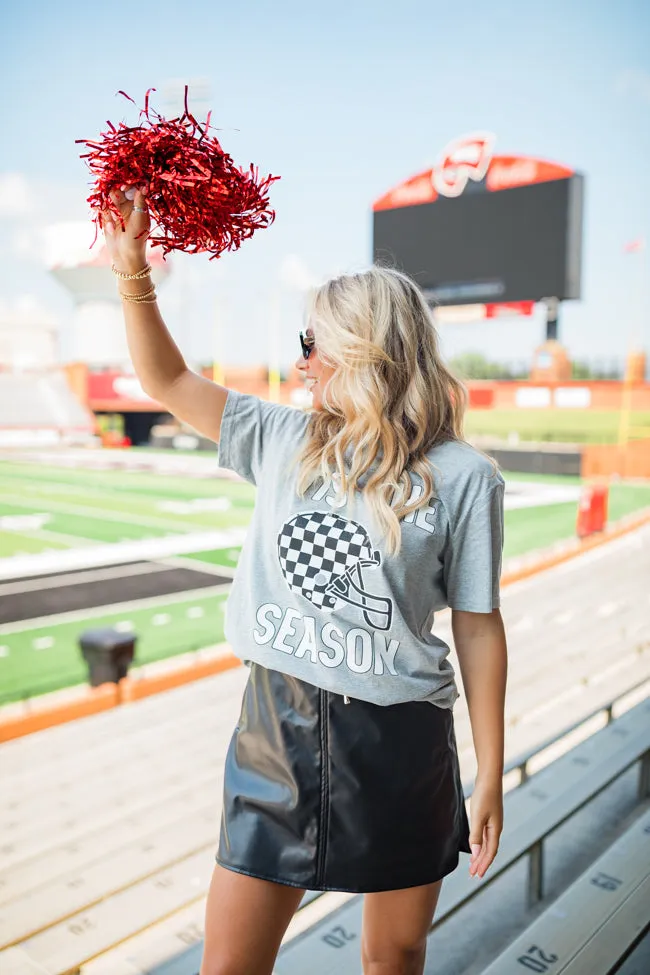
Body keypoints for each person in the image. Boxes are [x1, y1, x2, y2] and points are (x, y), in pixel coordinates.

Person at [103, 184, 508, 975]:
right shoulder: (279, 437)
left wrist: (491, 770)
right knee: (229, 966)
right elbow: (165, 378)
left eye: (313, 343)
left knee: (392, 956)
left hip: (401, 746)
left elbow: (478, 624)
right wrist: (132, 271)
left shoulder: (465, 478)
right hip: (275, 734)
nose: (299, 361)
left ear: (365, 352)